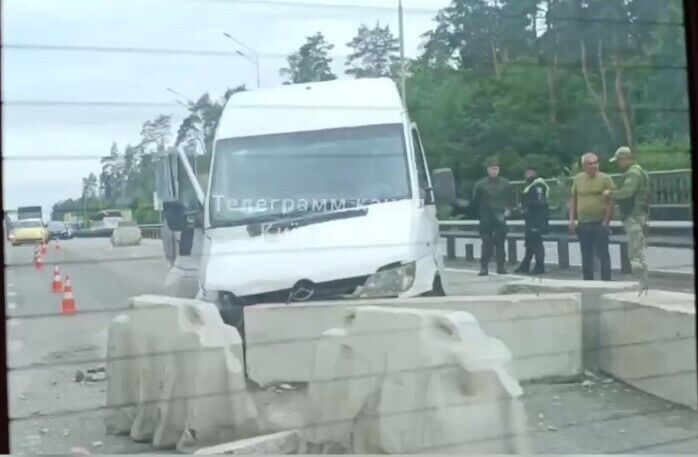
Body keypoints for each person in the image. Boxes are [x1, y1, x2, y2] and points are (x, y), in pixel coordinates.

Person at [603, 146, 651, 294]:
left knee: (635, 252)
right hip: (637, 215)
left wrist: (610, 193)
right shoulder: (636, 171)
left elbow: (627, 192)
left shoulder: (634, 173)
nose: (618, 163)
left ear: (625, 158)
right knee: (638, 249)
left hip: (634, 216)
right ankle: (643, 284)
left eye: (618, 160)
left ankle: (642, 284)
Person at [569, 152, 615, 281]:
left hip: (599, 221)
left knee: (603, 253)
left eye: (596, 162)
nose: (594, 166)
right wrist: (572, 219)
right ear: (584, 166)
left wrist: (607, 221)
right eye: (590, 163)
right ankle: (587, 280)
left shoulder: (605, 178)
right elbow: (573, 199)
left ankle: (606, 280)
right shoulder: (578, 179)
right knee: (586, 254)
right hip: (583, 222)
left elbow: (612, 201)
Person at [471, 158, 511, 276]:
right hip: (486, 216)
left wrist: (508, 210)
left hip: (500, 216)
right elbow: (475, 201)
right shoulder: (480, 184)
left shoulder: (505, 183)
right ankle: (484, 267)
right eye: (492, 169)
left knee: (501, 243)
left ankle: (501, 267)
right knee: (486, 243)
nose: (494, 171)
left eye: (496, 169)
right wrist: (479, 214)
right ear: (488, 170)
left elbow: (511, 200)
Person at [514, 166, 550, 275]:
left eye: (530, 172)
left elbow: (539, 202)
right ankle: (525, 265)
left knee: (536, 243)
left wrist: (525, 208)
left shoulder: (539, 184)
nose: (527, 174)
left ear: (535, 173)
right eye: (526, 172)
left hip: (537, 218)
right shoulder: (530, 185)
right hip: (530, 218)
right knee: (529, 243)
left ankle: (540, 266)